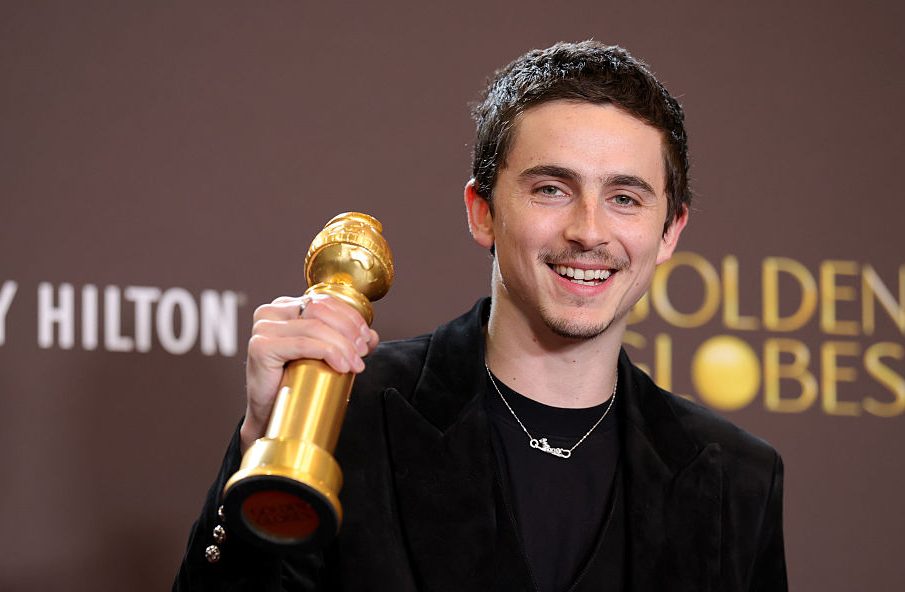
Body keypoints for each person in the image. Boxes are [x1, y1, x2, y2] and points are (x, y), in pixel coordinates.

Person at [175, 40, 787, 591]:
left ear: (669, 230)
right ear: (482, 211)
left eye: (625, 198)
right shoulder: (346, 413)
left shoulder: (737, 480)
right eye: (552, 188)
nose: (588, 231)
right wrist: (263, 440)